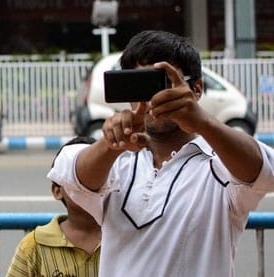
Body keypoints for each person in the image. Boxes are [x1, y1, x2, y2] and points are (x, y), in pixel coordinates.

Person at [48, 30, 274, 276]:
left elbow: (265, 171)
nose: (153, 98)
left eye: (163, 84)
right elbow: (70, 172)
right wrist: (111, 144)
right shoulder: (116, 160)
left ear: (196, 89)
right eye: (140, 84)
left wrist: (204, 123)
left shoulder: (220, 164)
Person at [6, 136, 100, 277]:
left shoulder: (126, 236)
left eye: (95, 175)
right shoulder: (34, 246)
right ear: (57, 190)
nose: (86, 185)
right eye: (76, 177)